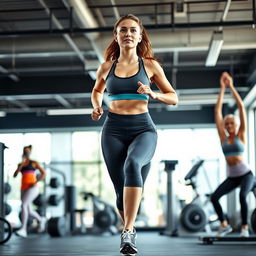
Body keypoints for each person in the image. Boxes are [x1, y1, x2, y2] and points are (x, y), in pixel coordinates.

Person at [91, 14, 178, 255]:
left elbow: (173, 96)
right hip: (113, 130)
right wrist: (97, 106)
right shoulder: (106, 67)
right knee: (120, 195)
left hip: (143, 129)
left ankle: (127, 231)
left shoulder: (149, 65)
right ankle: (128, 220)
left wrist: (154, 94)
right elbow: (97, 90)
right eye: (123, 30)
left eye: (132, 30)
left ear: (139, 36)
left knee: (133, 165)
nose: (128, 34)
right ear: (116, 36)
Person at [211, 72, 254, 237]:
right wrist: (222, 88)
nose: (228, 125)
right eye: (226, 123)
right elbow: (217, 112)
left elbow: (242, 107)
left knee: (243, 196)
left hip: (246, 174)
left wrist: (231, 87)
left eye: (231, 123)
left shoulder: (241, 135)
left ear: (236, 125)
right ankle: (224, 224)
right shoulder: (223, 138)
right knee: (215, 197)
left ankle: (244, 227)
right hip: (233, 177)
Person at [13, 145, 46, 238]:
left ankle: (23, 229)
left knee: (23, 205)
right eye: (24, 151)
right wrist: (21, 165)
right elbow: (15, 175)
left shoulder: (34, 163)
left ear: (30, 152)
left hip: (33, 187)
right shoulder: (21, 164)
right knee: (28, 209)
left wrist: (36, 181)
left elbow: (44, 173)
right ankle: (41, 219)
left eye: (27, 151)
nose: (26, 153)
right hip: (23, 188)